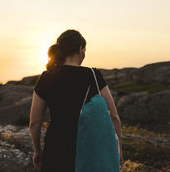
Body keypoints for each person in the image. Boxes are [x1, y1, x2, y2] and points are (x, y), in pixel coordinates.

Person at [29, 29, 124, 171]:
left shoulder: (46, 77)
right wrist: (119, 149)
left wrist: (37, 150)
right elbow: (114, 116)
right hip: (88, 149)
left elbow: (34, 123)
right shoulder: (93, 75)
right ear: (81, 49)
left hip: (56, 148)